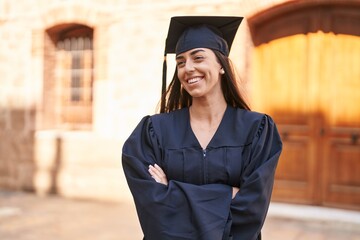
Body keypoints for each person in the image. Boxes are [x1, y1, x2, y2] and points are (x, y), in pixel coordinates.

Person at [122, 16, 282, 240]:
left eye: (198, 58)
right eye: (180, 62)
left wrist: (171, 191)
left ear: (221, 65)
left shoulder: (256, 129)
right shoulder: (154, 131)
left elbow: (251, 211)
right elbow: (153, 209)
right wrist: (228, 195)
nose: (188, 68)